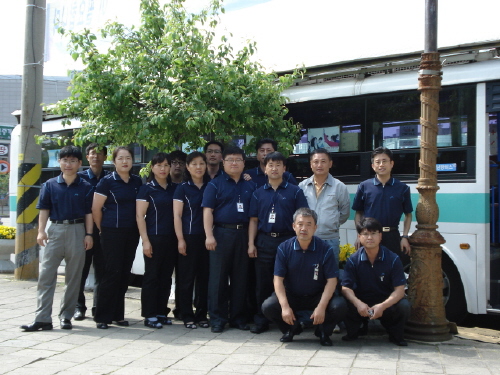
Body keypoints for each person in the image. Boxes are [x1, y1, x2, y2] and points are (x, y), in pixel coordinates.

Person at [21, 146, 94, 332]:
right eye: (64, 160)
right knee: (46, 276)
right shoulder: (50, 185)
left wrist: (88, 234)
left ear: (79, 163)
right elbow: (44, 209)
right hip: (55, 230)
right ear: (59, 162)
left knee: (74, 277)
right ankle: (42, 318)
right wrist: (41, 231)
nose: (68, 164)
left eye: (72, 161)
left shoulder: (86, 186)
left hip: (78, 231)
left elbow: (89, 213)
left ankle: (66, 316)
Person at [261, 208, 347, 346]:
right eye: (300, 224)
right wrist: (284, 307)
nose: (304, 228)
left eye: (308, 224)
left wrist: (321, 307)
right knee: (268, 306)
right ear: (293, 226)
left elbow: (332, 281)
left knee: (339, 306)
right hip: (292, 295)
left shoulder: (325, 249)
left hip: (317, 295)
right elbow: (278, 279)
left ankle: (323, 331)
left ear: (315, 227)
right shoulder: (284, 248)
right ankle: (292, 329)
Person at [248, 152, 309, 334]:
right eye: (270, 165)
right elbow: (253, 220)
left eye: (278, 165)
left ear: (284, 168)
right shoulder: (258, 193)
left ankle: (291, 318)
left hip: (288, 240)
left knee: (290, 282)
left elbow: (302, 218)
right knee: (262, 283)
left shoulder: (295, 191)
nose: (274, 168)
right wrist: (251, 243)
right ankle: (262, 320)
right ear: (265, 169)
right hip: (265, 241)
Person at [202, 146, 256, 333]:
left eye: (238, 160)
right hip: (221, 234)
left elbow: (253, 218)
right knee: (218, 279)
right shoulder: (215, 184)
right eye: (230, 160)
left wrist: (251, 242)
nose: (234, 163)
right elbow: (207, 211)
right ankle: (217, 319)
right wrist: (209, 235)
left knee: (240, 278)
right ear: (223, 163)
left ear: (244, 163)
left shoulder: (250, 184)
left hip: (243, 234)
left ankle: (238, 317)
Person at [92, 146, 142, 329]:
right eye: (120, 158)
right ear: (114, 162)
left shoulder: (137, 181)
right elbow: (96, 209)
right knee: (111, 273)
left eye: (128, 157)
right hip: (111, 232)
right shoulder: (107, 182)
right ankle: (102, 316)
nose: (125, 161)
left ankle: (118, 315)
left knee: (124, 274)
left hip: (131, 232)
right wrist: (101, 229)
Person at [341, 217, 410, 346]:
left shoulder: (393, 259)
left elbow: (400, 291)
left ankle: (395, 334)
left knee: (404, 306)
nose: (369, 238)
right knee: (341, 302)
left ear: (380, 236)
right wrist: (358, 303)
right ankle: (355, 330)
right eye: (365, 234)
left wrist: (382, 306)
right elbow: (346, 287)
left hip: (385, 302)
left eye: (373, 233)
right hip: (362, 304)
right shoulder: (353, 260)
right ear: (359, 237)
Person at [135, 152, 177, 329]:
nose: (163, 169)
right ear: (152, 168)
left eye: (166, 165)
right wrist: (145, 241)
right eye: (159, 165)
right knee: (152, 277)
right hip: (153, 238)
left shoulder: (174, 188)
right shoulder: (147, 188)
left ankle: (161, 311)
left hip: (171, 239)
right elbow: (139, 215)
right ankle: (149, 314)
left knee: (166, 277)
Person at [352, 147, 413, 266]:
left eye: (384, 161)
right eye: (377, 162)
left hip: (392, 237)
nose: (381, 165)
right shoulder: (364, 186)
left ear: (391, 164)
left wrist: (405, 236)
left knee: (392, 270)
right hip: (370, 235)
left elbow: (408, 215)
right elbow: (358, 213)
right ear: (373, 166)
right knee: (369, 270)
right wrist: (360, 235)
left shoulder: (402, 188)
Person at [173, 151, 210, 329]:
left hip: (208, 238)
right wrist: (180, 239)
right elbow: (177, 216)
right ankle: (187, 314)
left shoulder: (211, 185)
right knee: (186, 278)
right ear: (188, 167)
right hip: (188, 237)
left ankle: (202, 314)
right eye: (194, 164)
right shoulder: (182, 187)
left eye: (201, 163)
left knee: (204, 278)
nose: (198, 167)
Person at [74, 143, 109, 321]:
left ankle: (99, 307)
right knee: (82, 270)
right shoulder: (79, 179)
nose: (96, 156)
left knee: (102, 272)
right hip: (84, 231)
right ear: (87, 157)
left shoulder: (110, 178)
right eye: (92, 154)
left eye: (100, 154)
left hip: (103, 231)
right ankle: (79, 307)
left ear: (105, 157)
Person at [298, 148, 350, 265]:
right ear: (311, 164)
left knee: (330, 274)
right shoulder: (302, 186)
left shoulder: (339, 187)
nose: (319, 165)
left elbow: (344, 213)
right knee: (307, 273)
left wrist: (331, 222)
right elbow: (298, 211)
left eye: (323, 161)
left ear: (330, 164)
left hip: (330, 239)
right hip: (307, 238)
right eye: (316, 162)